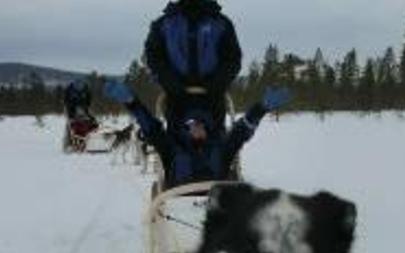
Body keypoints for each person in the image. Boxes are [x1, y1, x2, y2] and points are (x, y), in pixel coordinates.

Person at [105, 80, 288, 189]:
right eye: (191, 125)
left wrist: (262, 108)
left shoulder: (221, 147)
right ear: (184, 128)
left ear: (208, 127)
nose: (196, 128)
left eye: (201, 125)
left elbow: (242, 130)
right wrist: (132, 102)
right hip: (177, 210)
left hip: (219, 214)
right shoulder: (172, 148)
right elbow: (151, 128)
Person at [144, 0, 242, 130]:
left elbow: (233, 58)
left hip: (213, 98)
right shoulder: (163, 24)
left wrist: (218, 82)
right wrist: (169, 81)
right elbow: (153, 57)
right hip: (176, 99)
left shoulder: (222, 23)